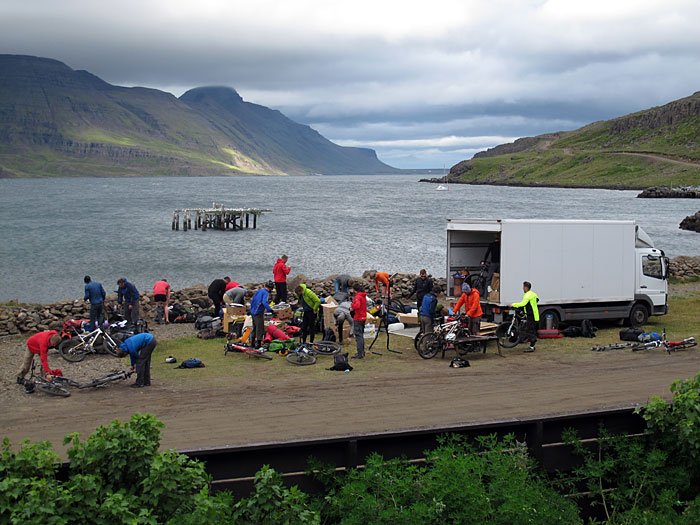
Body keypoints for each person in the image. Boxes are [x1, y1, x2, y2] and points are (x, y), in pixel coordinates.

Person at [511, 281, 539, 352]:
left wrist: (513, 304)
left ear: (526, 287)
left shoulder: (528, 295)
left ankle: (532, 347)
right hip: (533, 314)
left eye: (523, 287)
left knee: (530, 330)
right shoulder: (532, 294)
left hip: (531, 315)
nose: (522, 288)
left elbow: (523, 303)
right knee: (529, 329)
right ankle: (531, 344)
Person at [250, 281, 274, 348]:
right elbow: (264, 302)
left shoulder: (259, 291)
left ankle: (252, 342)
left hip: (253, 311)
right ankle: (259, 344)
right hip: (258, 312)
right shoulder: (265, 293)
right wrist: (270, 310)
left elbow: (253, 300)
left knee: (254, 327)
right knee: (259, 328)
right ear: (270, 288)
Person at [350, 282, 367, 359]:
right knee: (361, 335)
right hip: (363, 317)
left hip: (358, 317)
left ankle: (360, 354)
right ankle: (362, 352)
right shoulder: (363, 296)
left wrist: (352, 306)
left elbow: (357, 305)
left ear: (354, 290)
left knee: (358, 336)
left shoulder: (358, 297)